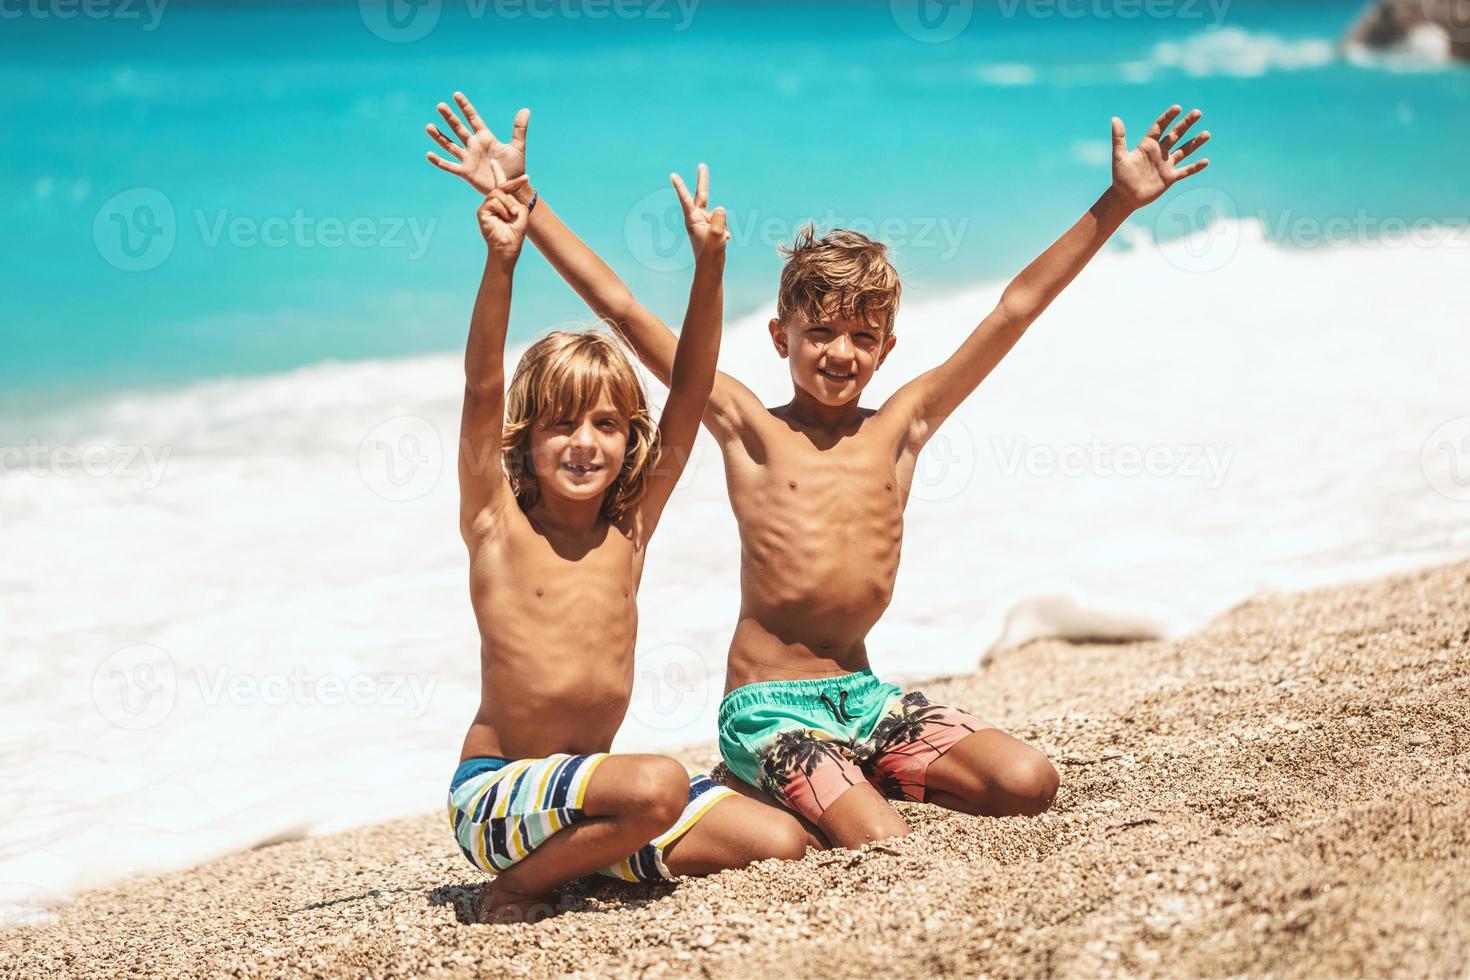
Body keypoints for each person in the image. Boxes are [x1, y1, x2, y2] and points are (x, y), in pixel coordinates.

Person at [429, 92, 1210, 848]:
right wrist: (528, 207)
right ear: (781, 336)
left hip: (866, 699)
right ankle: (799, 781)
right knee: (879, 838)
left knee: (1027, 783)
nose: (840, 352)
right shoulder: (749, 429)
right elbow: (626, 313)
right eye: (821, 332)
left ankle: (861, 771)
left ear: (886, 350)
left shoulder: (903, 429)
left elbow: (1012, 309)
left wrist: (1117, 203)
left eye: (861, 337)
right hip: (768, 707)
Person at [431, 115, 808, 923]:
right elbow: (478, 392)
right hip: (498, 799)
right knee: (661, 783)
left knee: (779, 841)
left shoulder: (629, 529)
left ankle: (591, 860)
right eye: (560, 425)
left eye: (606, 424)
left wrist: (711, 268)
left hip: (591, 801)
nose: (583, 443)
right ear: (525, 440)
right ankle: (516, 887)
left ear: (630, 440)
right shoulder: (495, 522)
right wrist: (502, 262)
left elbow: (694, 384)